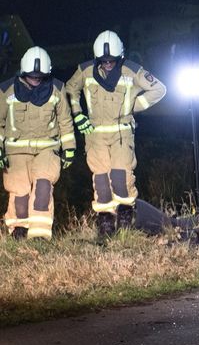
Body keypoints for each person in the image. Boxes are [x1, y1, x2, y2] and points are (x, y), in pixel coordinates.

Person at [65, 31, 167, 237]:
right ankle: (105, 224)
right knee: (101, 182)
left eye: (112, 61)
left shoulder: (132, 71)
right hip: (95, 136)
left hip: (122, 134)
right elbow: (70, 89)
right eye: (104, 61)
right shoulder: (85, 71)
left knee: (121, 179)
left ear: (120, 57)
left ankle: (126, 221)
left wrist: (133, 106)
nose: (108, 64)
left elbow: (159, 89)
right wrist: (77, 114)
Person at [0, 48, 75, 239]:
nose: (36, 79)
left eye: (39, 76)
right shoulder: (6, 91)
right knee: (20, 194)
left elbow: (65, 121)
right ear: (23, 73)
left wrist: (69, 148)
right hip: (16, 152)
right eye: (32, 76)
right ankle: (19, 230)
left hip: (47, 149)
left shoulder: (57, 89)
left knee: (43, 188)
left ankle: (40, 236)